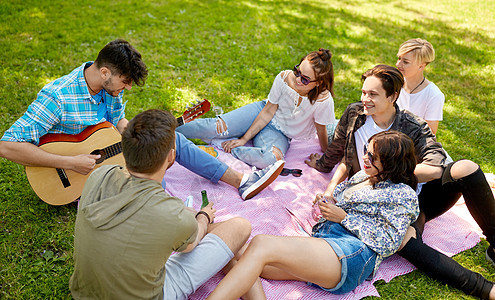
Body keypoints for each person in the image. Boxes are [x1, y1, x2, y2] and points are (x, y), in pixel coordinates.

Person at [0, 39, 284, 201]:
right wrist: (70, 162)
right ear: (105, 73)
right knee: (150, 180)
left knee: (169, 138)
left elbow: (118, 123)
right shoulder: (58, 97)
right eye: (125, 82)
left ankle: (240, 181)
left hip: (108, 157)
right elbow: (7, 146)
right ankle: (169, 222)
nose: (127, 88)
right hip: (68, 176)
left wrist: (139, 132)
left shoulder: (108, 87)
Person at [306, 64, 495, 299]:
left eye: (373, 94)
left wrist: (392, 171)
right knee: (405, 239)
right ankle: (486, 289)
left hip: (420, 195)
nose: (365, 99)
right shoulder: (355, 115)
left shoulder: (411, 125)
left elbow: (436, 163)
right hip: (388, 206)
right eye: (364, 92)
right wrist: (327, 178)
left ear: (393, 96)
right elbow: (341, 154)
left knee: (467, 168)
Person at [70, 109, 261, 299]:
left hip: (84, 293)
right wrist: (202, 217)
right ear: (171, 157)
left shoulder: (98, 175)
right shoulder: (172, 214)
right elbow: (190, 245)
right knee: (240, 227)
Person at [206, 131, 420, 299]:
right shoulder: (365, 175)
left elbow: (390, 242)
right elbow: (344, 202)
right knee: (235, 251)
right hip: (327, 243)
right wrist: (329, 202)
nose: (365, 158)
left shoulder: (402, 195)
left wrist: (343, 218)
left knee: (261, 244)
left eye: (373, 156)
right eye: (367, 150)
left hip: (351, 253)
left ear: (391, 164)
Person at [176, 48, 336, 169]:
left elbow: (321, 129)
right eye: (298, 71)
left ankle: (224, 147)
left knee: (271, 161)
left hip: (279, 133)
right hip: (260, 112)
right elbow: (267, 111)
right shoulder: (284, 78)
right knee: (214, 127)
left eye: (306, 79)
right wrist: (244, 139)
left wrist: (325, 154)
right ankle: (165, 127)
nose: (298, 79)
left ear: (319, 83)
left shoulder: (323, 100)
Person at [396, 38, 444, 135]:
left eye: (405, 62)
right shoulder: (394, 82)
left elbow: (430, 133)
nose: (398, 64)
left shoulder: (434, 95)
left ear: (421, 66)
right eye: (399, 58)